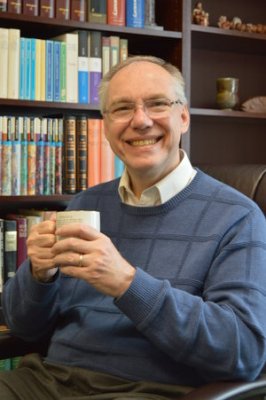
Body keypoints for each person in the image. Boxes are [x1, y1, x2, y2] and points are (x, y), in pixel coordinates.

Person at [1, 55, 266, 400]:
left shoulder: (238, 217)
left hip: (149, 392)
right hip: (48, 382)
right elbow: (23, 326)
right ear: (107, 125)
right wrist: (39, 275)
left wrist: (127, 283)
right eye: (123, 109)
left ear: (183, 117)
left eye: (157, 104)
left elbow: (243, 353)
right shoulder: (84, 205)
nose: (140, 121)